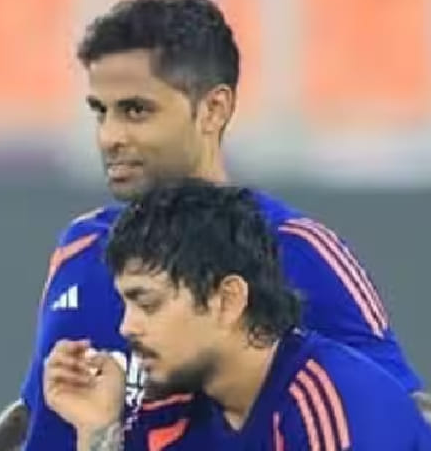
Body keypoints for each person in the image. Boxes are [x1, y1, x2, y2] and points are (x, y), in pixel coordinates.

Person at [0, 0, 425, 450]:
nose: (110, 136)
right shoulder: (80, 245)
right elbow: (36, 413)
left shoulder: (295, 248)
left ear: (213, 109)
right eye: (101, 112)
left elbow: (400, 408)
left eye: (135, 110)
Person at [43, 179, 431, 450]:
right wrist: (99, 429)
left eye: (148, 304)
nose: (126, 327)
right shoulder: (172, 409)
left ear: (228, 300)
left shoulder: (331, 408)